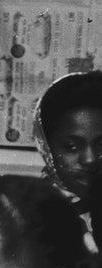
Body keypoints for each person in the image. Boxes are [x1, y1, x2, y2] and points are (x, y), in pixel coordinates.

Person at [33, 69, 102, 251]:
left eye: (101, 144)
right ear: (46, 147)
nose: (90, 159)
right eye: (72, 147)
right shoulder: (27, 218)